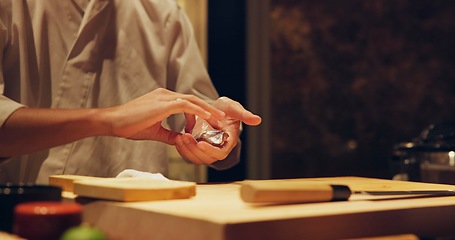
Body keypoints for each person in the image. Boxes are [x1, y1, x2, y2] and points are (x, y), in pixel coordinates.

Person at [0, 0, 262, 184]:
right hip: (20, 209)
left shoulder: (163, 13)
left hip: (142, 214)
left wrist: (210, 127)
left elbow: (193, 110)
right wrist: (110, 120)